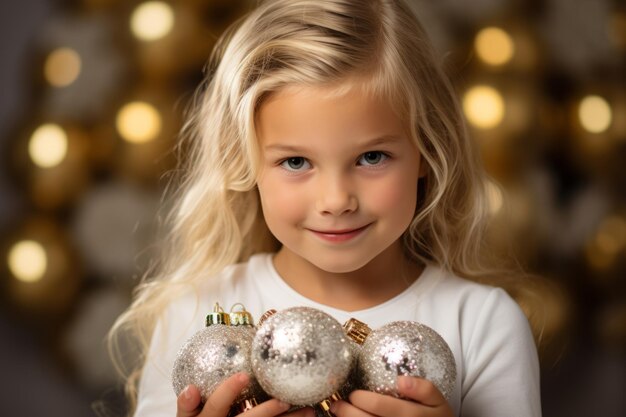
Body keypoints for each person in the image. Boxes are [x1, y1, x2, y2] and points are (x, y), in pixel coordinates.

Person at [109, 0, 542, 416]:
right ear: (244, 162)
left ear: (427, 154)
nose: (336, 201)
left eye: (372, 157)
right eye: (296, 162)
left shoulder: (484, 323)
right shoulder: (194, 316)